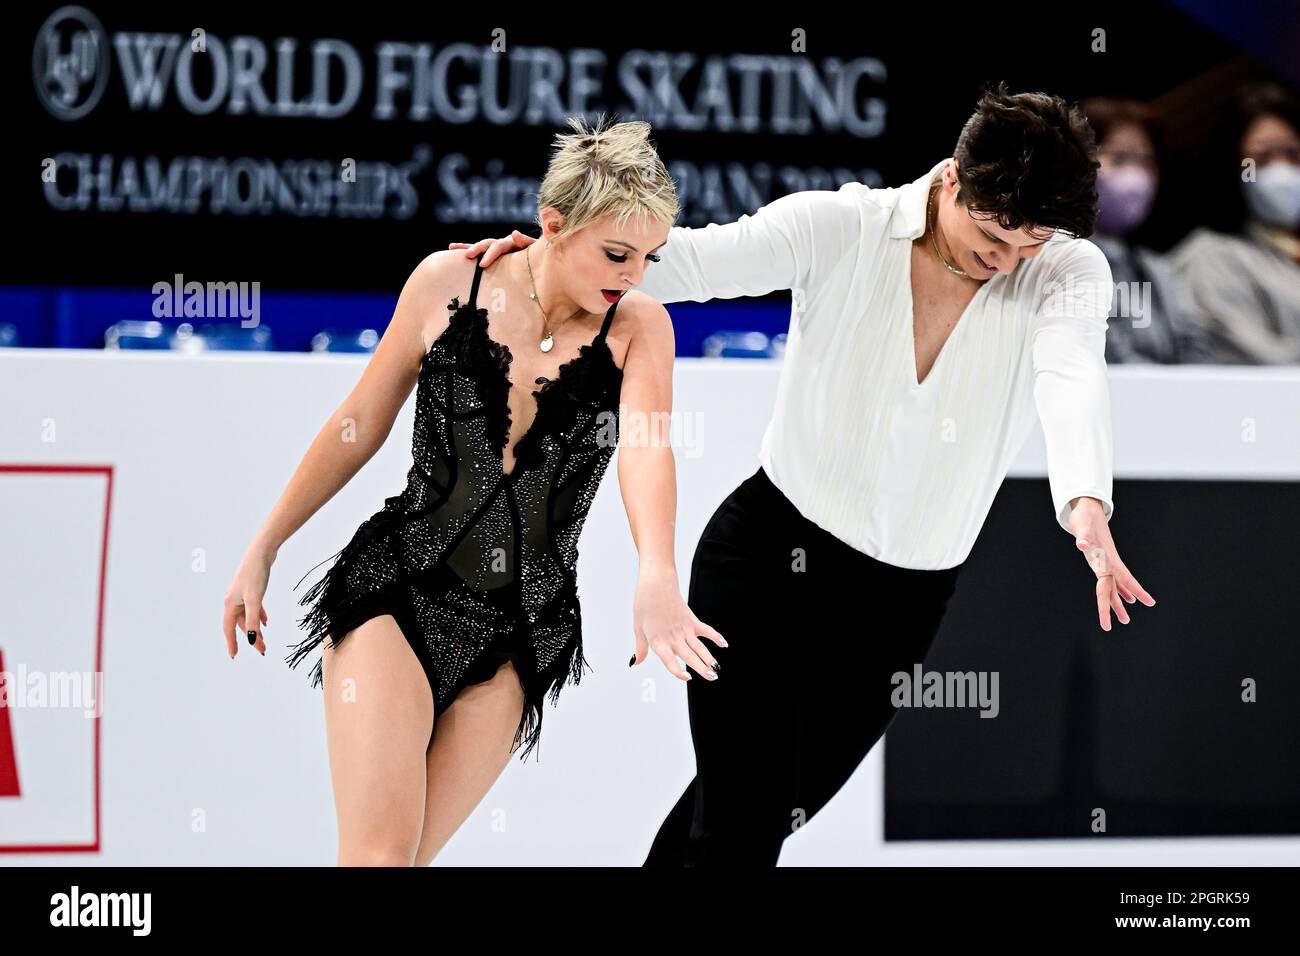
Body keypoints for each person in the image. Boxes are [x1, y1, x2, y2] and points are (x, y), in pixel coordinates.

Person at [453, 83, 1157, 866]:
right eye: (995, 236)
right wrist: (543, 256)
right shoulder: (840, 226)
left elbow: (1070, 372)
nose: (1009, 262)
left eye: (1031, 244)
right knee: (742, 820)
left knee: (743, 814)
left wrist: (1085, 500)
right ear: (953, 179)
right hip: (766, 563)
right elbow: (684, 264)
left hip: (904, 602)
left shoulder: (1066, 271)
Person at [221, 115, 724, 866]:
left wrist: (657, 568)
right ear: (551, 223)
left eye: (650, 257)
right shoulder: (448, 281)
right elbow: (359, 421)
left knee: (408, 861)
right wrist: (264, 546)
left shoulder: (640, 328)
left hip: (523, 626)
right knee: (379, 858)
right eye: (617, 253)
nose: (633, 274)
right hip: (400, 591)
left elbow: (647, 451)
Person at [1168, 82, 1300, 363]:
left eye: (1293, 154)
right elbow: (1255, 367)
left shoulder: (1289, 253)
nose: (1282, 169)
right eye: (1263, 157)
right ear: (1232, 166)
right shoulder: (1211, 259)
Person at [1081, 97, 1215, 364]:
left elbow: (1196, 347)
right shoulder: (1060, 261)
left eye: (1145, 161)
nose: (1136, 174)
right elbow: (1107, 354)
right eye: (1119, 158)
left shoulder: (1157, 268)